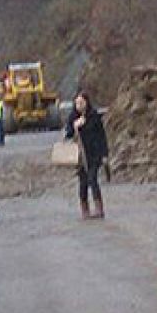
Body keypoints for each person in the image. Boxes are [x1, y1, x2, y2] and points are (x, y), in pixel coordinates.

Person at [64, 92, 108, 220]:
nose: (79, 106)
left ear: (87, 103)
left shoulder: (94, 116)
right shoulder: (73, 117)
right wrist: (74, 126)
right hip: (80, 157)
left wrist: (104, 154)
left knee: (93, 179)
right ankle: (85, 210)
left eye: (81, 103)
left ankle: (99, 208)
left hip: (94, 154)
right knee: (82, 183)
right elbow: (68, 135)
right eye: (77, 103)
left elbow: (101, 136)